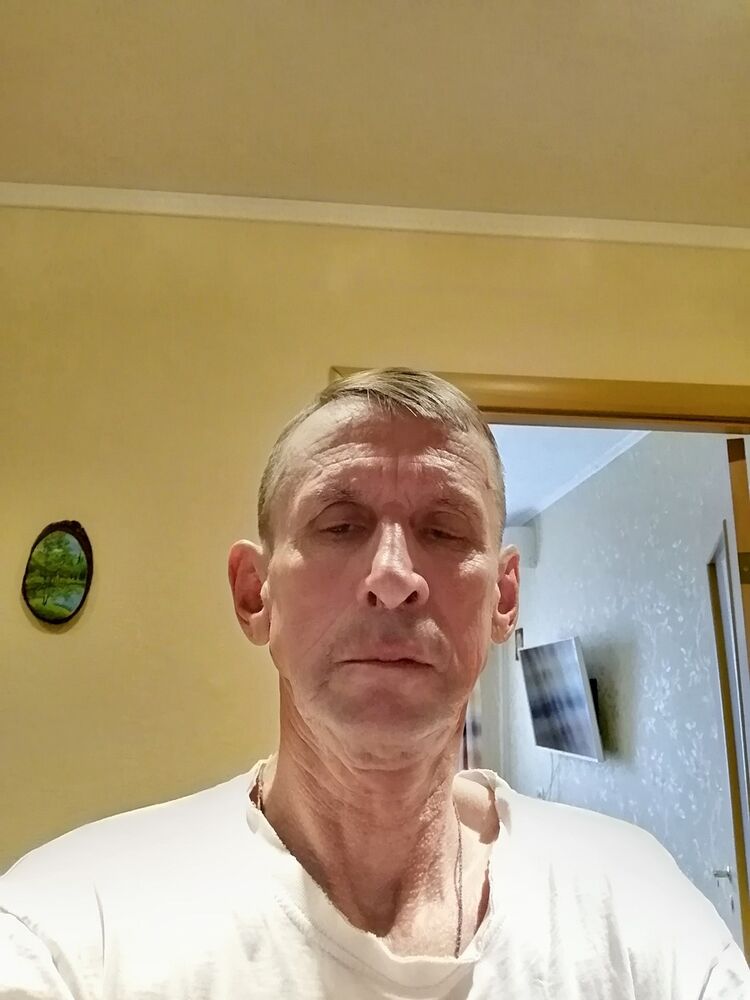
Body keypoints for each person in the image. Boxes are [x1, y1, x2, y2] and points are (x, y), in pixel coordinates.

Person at [1, 367, 748, 999]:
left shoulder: (642, 911)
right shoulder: (71, 932)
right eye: (340, 525)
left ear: (504, 598)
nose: (394, 577)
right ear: (255, 595)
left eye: (444, 529)